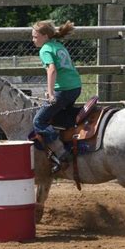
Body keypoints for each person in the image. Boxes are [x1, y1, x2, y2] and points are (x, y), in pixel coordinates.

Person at [31, 20, 82, 173]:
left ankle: (61, 153)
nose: (33, 40)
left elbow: (52, 70)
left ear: (45, 36)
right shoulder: (58, 45)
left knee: (38, 121)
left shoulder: (45, 49)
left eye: (35, 37)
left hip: (64, 90)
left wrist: (51, 93)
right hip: (75, 87)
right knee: (60, 116)